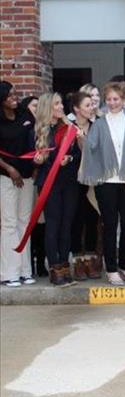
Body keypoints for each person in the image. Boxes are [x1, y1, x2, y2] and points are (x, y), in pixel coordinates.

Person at [79, 81, 125, 286]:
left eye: (116, 99)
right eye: (108, 99)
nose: (112, 103)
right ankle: (111, 270)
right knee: (110, 225)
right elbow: (90, 148)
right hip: (106, 181)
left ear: (124, 101)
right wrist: (81, 139)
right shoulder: (99, 125)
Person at [33, 92, 81, 287]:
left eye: (61, 103)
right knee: (53, 224)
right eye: (57, 104)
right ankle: (54, 269)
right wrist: (40, 160)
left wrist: (69, 158)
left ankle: (64, 267)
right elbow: (37, 158)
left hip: (68, 181)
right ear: (48, 108)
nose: (61, 107)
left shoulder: (69, 128)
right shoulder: (39, 131)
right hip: (49, 183)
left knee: (66, 225)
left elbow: (77, 154)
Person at [0, 82, 36, 287]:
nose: (15, 97)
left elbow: (34, 140)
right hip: (6, 176)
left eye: (15, 93)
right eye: (10, 95)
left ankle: (24, 270)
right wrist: (9, 169)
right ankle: (9, 273)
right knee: (9, 223)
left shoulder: (25, 115)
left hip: (27, 176)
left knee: (25, 222)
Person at [69, 91, 102, 280]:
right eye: (87, 105)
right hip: (73, 181)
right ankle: (77, 262)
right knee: (76, 220)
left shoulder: (97, 127)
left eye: (92, 105)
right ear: (76, 108)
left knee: (92, 220)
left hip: (93, 181)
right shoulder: (68, 127)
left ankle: (90, 261)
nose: (91, 108)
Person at [17, 94, 46, 277]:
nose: (37, 109)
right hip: (27, 180)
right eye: (34, 106)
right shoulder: (24, 129)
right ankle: (28, 264)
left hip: (40, 182)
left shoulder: (45, 129)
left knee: (41, 224)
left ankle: (41, 265)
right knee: (28, 223)